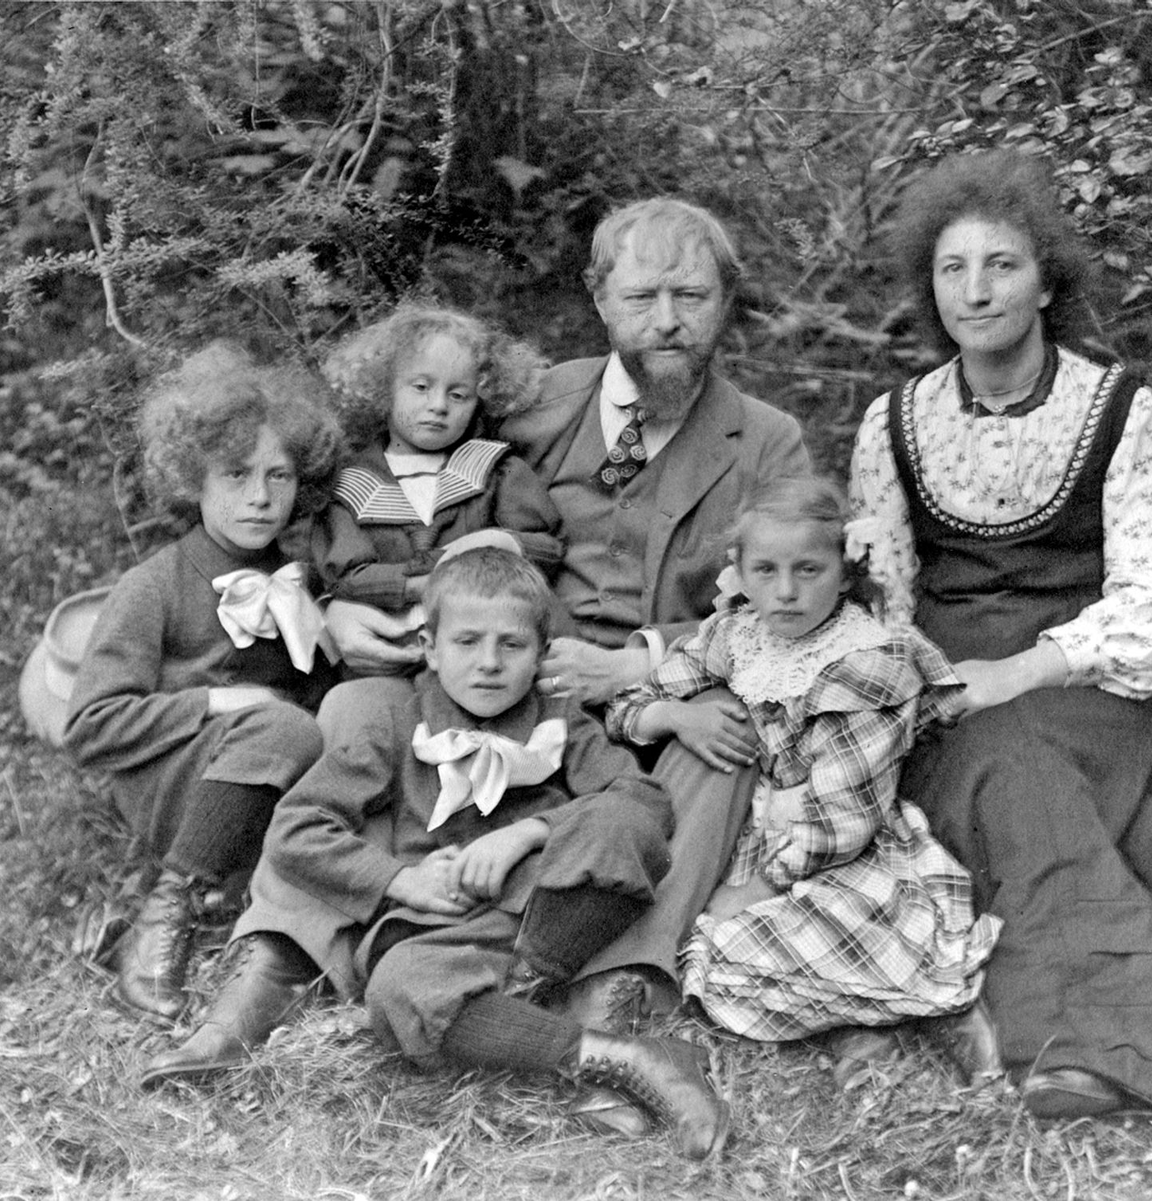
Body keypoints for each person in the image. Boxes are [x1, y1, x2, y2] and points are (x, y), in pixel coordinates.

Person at [319, 197, 809, 1132]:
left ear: (728, 302)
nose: (667, 319)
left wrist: (637, 669)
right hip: (494, 666)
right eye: (642, 295)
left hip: (654, 691)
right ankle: (290, 943)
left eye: (692, 294)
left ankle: (616, 986)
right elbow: (396, 495)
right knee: (355, 707)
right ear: (598, 299)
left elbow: (785, 607)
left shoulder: (768, 440)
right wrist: (345, 596)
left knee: (722, 743)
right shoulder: (534, 404)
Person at [140, 548, 728, 1160]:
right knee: (399, 991)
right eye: (468, 642)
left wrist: (528, 834)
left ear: (541, 652)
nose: (489, 664)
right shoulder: (396, 720)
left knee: (620, 820)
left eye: (512, 646)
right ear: (430, 647)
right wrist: (399, 881)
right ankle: (620, 1057)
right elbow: (298, 827)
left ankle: (523, 996)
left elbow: (642, 802)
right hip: (440, 930)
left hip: (541, 916)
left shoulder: (561, 721)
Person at [850, 149, 1152, 1119]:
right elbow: (882, 595)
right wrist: (918, 679)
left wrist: (1019, 671)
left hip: (1088, 675)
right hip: (948, 673)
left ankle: (1099, 1045)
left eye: (1000, 264)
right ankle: (1094, 1032)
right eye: (953, 269)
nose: (976, 290)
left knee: (1021, 754)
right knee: (991, 749)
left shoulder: (1125, 412)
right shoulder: (894, 422)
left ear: (1047, 279)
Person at [607, 476, 1002, 1085]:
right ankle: (862, 1030)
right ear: (740, 572)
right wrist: (672, 715)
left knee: (768, 938)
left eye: (809, 571)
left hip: (844, 850)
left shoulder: (869, 660)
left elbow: (846, 815)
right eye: (765, 571)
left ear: (844, 575)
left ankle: (927, 1014)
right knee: (713, 955)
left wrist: (762, 882)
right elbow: (628, 705)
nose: (785, 592)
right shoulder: (734, 634)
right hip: (760, 838)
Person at [63, 343, 343, 1023]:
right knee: (281, 724)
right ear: (194, 478)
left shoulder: (301, 579)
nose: (260, 496)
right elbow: (89, 727)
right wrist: (218, 699)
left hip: (272, 788)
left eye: (279, 476)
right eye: (238, 473)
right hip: (174, 785)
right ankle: (163, 914)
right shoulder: (153, 584)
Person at [314, 303, 563, 658]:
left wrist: (502, 540)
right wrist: (418, 585)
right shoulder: (351, 485)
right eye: (420, 387)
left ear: (481, 401)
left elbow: (549, 548)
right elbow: (347, 577)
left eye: (458, 394)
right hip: (390, 643)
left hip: (490, 647)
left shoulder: (495, 469)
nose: (438, 405)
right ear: (384, 389)